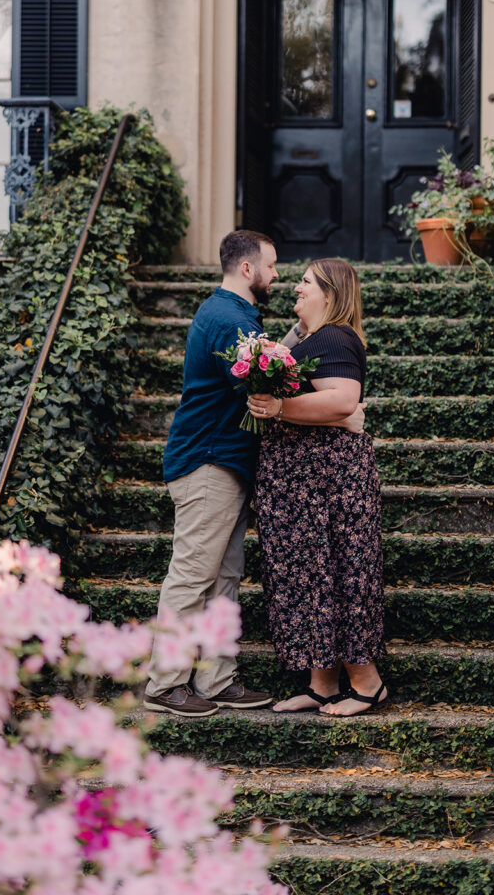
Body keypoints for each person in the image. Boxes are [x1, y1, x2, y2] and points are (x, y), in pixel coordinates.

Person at [144, 233, 364, 718]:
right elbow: (264, 383)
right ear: (248, 269)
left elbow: (269, 364)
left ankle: (216, 679)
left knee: (224, 578)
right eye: (273, 264)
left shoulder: (236, 315)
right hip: (208, 461)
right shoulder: (229, 319)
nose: (278, 275)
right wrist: (341, 414)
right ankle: (164, 684)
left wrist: (298, 336)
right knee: (192, 576)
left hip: (229, 463)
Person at [248, 259, 387, 718]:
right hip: (303, 483)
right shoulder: (313, 337)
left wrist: (279, 407)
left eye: (305, 282)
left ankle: (367, 683)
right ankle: (322, 685)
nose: (296, 288)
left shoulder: (335, 336)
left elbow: (344, 400)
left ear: (330, 293)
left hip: (329, 481)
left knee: (342, 573)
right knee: (309, 577)